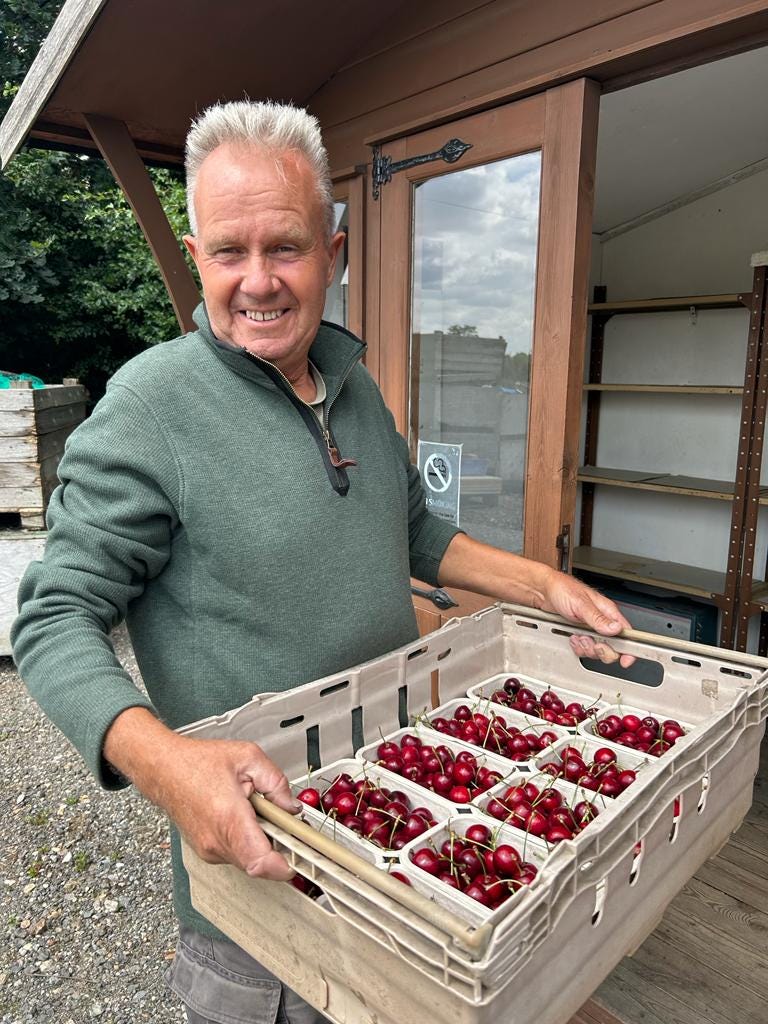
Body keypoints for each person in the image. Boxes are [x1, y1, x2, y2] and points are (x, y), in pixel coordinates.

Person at [12, 100, 633, 1024]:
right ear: (195, 255)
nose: (257, 281)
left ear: (334, 254)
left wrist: (544, 584)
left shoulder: (352, 386)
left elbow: (417, 535)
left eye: (286, 247)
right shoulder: (151, 408)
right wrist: (169, 764)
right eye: (229, 251)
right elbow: (52, 618)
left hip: (399, 818)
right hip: (270, 883)